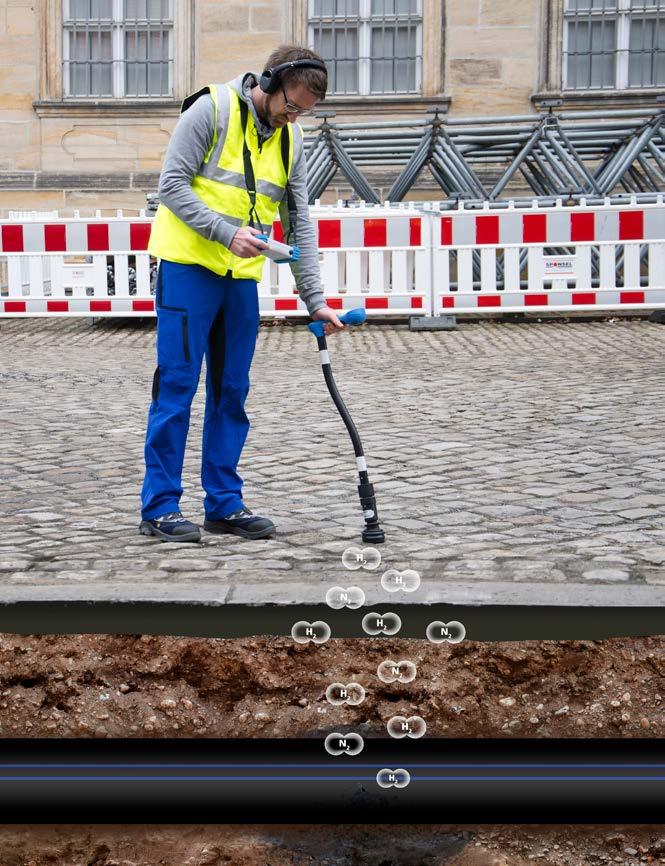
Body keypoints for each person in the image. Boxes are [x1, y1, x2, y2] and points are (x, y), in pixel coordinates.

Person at [139, 45, 343, 544]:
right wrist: (224, 231)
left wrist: (314, 299)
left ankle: (223, 504)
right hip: (188, 269)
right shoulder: (210, 109)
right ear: (269, 82)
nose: (293, 117)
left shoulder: (290, 140)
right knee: (177, 389)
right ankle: (159, 507)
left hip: (240, 282)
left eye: (303, 113)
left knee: (232, 392)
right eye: (289, 106)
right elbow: (170, 185)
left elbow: (299, 223)